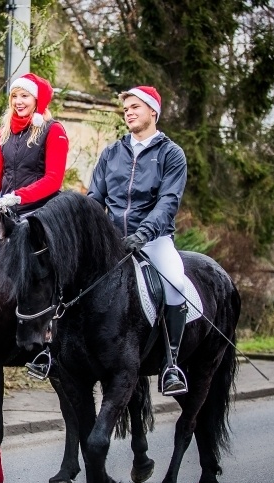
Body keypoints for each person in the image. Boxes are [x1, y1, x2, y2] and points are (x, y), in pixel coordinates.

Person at [87, 86, 189, 396]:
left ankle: (172, 363)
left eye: (135, 107)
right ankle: (56, 352)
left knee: (176, 284)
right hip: (112, 241)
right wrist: (94, 232)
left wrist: (143, 234)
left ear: (153, 112)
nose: (128, 112)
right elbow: (95, 198)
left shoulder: (171, 154)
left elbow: (168, 202)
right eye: (126, 108)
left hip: (153, 240)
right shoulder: (111, 153)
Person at [0, 72, 69, 215]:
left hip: (41, 212)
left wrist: (19, 197)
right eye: (14, 96)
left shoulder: (53, 130)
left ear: (36, 99)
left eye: (24, 96)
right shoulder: (4, 132)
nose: (18, 102)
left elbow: (53, 179)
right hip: (8, 210)